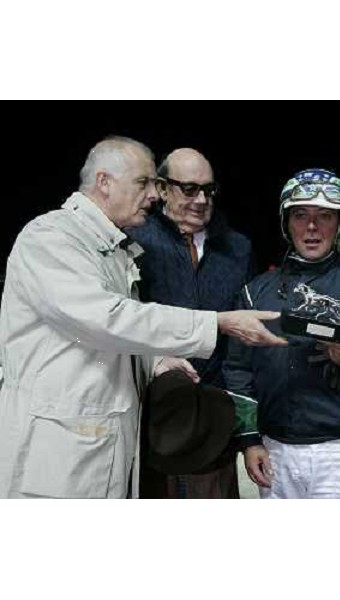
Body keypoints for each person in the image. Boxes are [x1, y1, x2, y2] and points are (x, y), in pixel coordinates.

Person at [0, 136, 285, 499]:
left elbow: (110, 338)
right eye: (144, 182)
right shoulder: (51, 238)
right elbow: (105, 320)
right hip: (58, 455)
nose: (154, 194)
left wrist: (156, 361)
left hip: (118, 443)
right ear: (104, 182)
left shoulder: (117, 251)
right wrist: (215, 323)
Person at [223, 168, 340, 499]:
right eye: (300, 215)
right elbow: (237, 370)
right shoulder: (255, 293)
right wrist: (250, 439)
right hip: (272, 448)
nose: (312, 227)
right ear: (286, 222)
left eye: (324, 216)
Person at [128, 147, 255, 499]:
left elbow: (243, 350)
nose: (201, 199)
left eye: (209, 190)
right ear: (162, 188)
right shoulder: (133, 239)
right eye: (189, 189)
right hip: (150, 422)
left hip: (215, 424)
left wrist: (247, 430)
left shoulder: (238, 248)